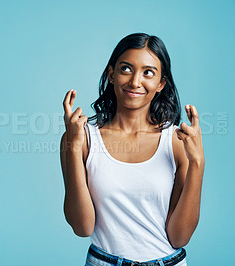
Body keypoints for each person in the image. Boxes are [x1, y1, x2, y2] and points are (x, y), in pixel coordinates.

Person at [60, 33, 205, 266]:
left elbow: (180, 237)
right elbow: (82, 226)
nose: (135, 81)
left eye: (148, 72)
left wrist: (198, 163)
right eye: (126, 69)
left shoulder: (177, 141)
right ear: (111, 74)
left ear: (161, 84)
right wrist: (74, 147)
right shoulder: (82, 137)